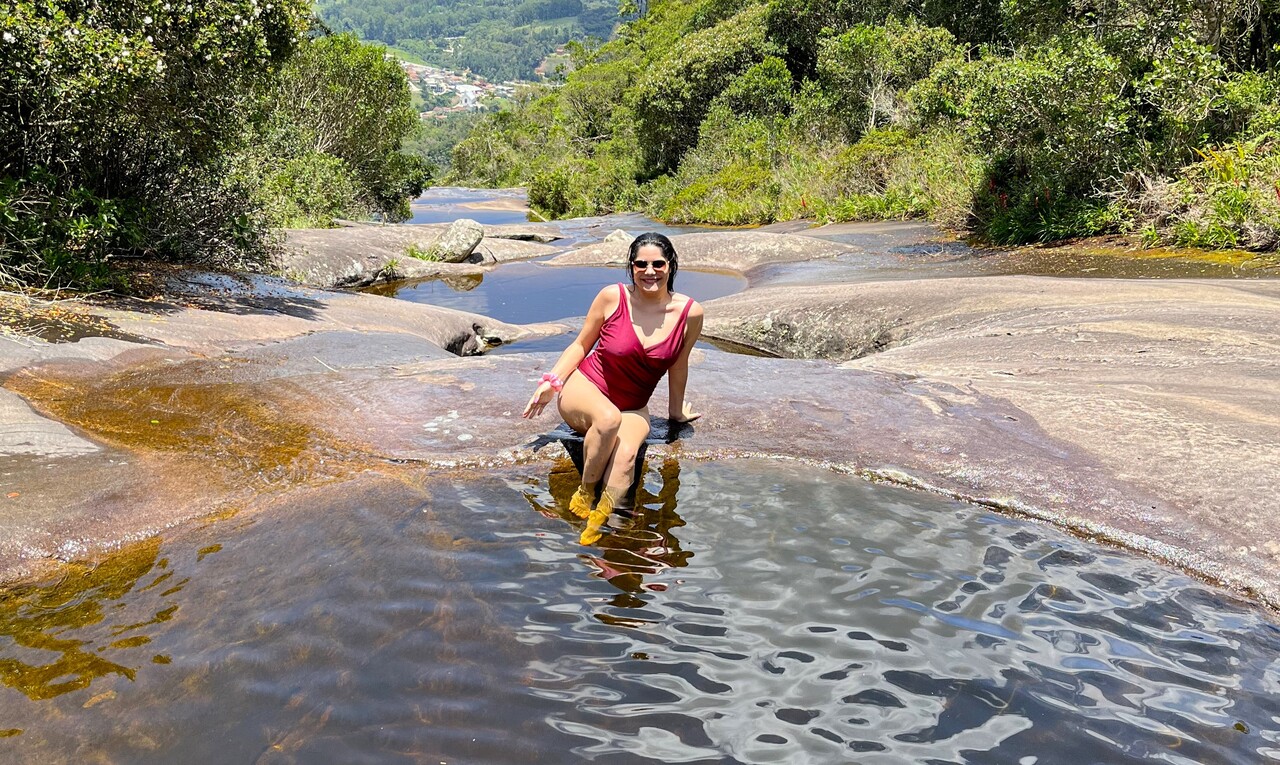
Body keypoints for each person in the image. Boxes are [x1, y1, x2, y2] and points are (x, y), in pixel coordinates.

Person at [522, 232, 704, 545]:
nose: (649, 271)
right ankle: (585, 490)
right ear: (631, 267)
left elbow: (679, 364)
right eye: (640, 264)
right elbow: (581, 344)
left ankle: (602, 520)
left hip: (633, 405)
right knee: (607, 419)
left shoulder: (690, 313)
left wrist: (676, 413)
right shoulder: (613, 297)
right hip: (586, 390)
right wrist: (552, 382)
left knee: (627, 457)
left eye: (658, 264)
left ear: (671, 266)